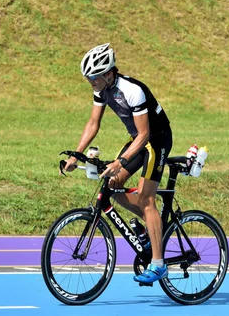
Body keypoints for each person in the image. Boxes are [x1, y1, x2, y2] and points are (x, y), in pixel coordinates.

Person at [62, 43, 173, 284]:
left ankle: (158, 263)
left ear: (108, 73)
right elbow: (93, 124)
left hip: (157, 139)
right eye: (87, 77)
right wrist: (75, 155)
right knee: (111, 184)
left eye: (93, 76)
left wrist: (120, 161)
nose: (90, 81)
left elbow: (145, 135)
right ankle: (152, 226)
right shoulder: (101, 90)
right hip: (139, 141)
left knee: (147, 198)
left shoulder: (132, 90)